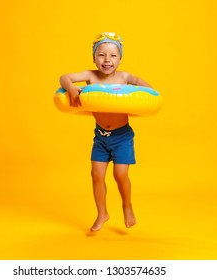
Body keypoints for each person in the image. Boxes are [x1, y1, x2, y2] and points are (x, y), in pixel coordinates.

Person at [59, 32, 152, 232]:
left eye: (112, 55)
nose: (107, 60)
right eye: (101, 55)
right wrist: (71, 89)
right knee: (96, 175)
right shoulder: (90, 76)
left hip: (122, 137)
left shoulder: (125, 77)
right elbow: (64, 77)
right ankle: (102, 213)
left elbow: (150, 91)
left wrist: (135, 97)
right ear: (94, 58)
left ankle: (127, 206)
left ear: (120, 59)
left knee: (120, 175)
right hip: (101, 137)